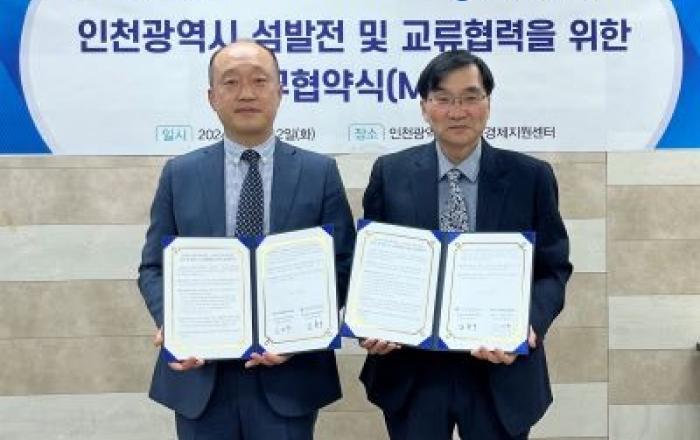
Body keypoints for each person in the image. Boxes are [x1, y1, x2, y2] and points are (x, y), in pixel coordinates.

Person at [138, 40, 355, 440]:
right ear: (212, 97)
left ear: (280, 91)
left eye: (259, 80)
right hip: (201, 375)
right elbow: (153, 267)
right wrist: (174, 322)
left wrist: (302, 334)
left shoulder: (319, 172)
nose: (246, 93)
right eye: (231, 82)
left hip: (289, 374)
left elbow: (343, 263)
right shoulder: (179, 174)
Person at [358, 50, 573, 440]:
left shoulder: (531, 177)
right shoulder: (390, 173)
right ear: (424, 107)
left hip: (499, 370)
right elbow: (371, 267)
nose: (457, 112)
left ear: (488, 103)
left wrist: (527, 324)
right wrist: (370, 323)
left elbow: (553, 269)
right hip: (413, 371)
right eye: (443, 98)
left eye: (470, 97)